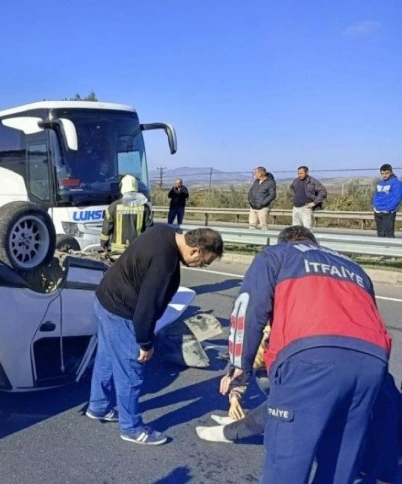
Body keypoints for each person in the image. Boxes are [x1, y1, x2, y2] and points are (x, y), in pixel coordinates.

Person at [222, 225, 391, 483]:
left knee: (288, 461)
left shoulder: (276, 255)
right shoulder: (355, 268)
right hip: (371, 361)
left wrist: (238, 366)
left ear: (284, 242)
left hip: (310, 357)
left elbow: (248, 311)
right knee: (340, 460)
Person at [86, 225, 224, 445]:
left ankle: (99, 406)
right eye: (205, 261)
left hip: (105, 299)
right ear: (195, 250)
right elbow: (146, 309)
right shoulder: (165, 263)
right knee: (131, 372)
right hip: (122, 312)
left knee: (107, 358)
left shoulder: (164, 232)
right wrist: (145, 343)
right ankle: (131, 427)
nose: (202, 265)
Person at [99, 175, 153, 254]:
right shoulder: (145, 207)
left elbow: (106, 228)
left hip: (117, 252)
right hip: (137, 249)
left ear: (122, 187)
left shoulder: (114, 206)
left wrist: (103, 243)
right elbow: (149, 230)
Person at [372, 163, 401, 238]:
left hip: (388, 212)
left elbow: (397, 198)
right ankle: (381, 249)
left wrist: (388, 209)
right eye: (382, 173)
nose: (384, 175)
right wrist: (374, 206)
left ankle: (391, 249)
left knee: (388, 233)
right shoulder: (380, 183)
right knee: (380, 233)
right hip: (378, 212)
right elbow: (376, 195)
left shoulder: (396, 183)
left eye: (386, 173)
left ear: (391, 172)